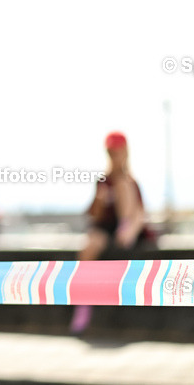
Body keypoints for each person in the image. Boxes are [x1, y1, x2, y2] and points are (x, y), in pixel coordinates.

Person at [70, 131, 153, 334]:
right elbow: (94, 217)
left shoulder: (130, 182)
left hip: (126, 227)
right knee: (89, 247)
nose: (114, 157)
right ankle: (83, 303)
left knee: (123, 185)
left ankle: (126, 231)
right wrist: (100, 200)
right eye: (111, 153)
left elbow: (140, 214)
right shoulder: (102, 181)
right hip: (106, 228)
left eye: (117, 152)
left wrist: (129, 228)